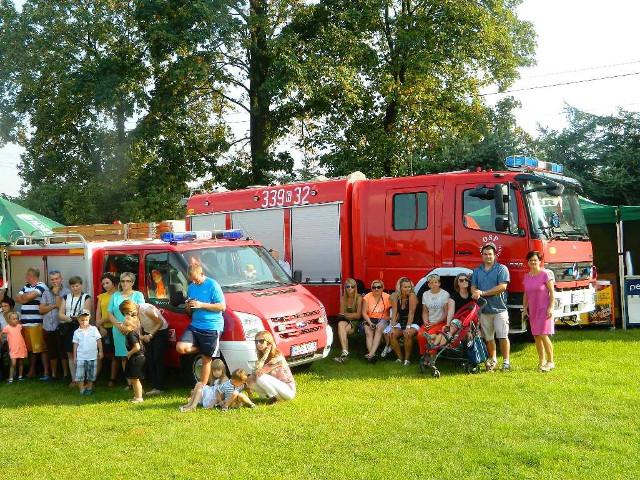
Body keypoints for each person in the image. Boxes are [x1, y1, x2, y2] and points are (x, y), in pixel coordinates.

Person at [176, 263, 226, 385]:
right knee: (180, 348)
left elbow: (222, 307)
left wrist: (201, 305)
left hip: (211, 326)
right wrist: (188, 307)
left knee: (206, 359)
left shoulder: (212, 285)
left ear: (202, 273)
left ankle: (202, 387)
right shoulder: (191, 287)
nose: (194, 282)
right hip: (195, 325)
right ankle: (204, 349)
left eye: (196, 279)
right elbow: (190, 311)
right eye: (191, 279)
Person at [471, 243, 511, 372]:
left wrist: (483, 293)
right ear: (482, 256)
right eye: (485, 254)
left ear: (495, 256)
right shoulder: (477, 271)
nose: (488, 256)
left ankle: (506, 362)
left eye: (490, 254)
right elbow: (473, 287)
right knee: (488, 338)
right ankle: (493, 359)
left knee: (503, 336)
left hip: (500, 309)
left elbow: (502, 287)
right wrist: (475, 292)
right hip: (484, 311)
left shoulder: (501, 269)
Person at [108, 272, 145, 386]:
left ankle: (136, 381)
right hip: (118, 329)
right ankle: (129, 383)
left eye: (128, 281)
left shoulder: (138, 295)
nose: (125, 283)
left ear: (133, 282)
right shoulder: (115, 295)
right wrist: (119, 326)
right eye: (123, 281)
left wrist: (130, 327)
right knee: (123, 356)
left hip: (134, 328)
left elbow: (141, 312)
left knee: (134, 354)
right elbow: (110, 313)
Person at [15, 267, 50, 380]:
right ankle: (32, 371)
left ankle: (46, 372)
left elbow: (28, 297)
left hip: (36, 323)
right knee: (30, 349)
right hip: (25, 323)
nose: (26, 277)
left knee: (41, 348)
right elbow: (18, 299)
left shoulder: (41, 286)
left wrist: (25, 297)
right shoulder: (26, 286)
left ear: (32, 276)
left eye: (27, 275)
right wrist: (26, 297)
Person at [523, 250, 555, 372]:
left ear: (540, 261)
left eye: (535, 260)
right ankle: (542, 361)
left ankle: (550, 361)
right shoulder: (527, 276)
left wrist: (551, 307)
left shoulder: (545, 274)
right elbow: (526, 293)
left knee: (543, 334)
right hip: (533, 310)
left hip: (544, 309)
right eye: (530, 260)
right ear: (528, 262)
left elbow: (552, 293)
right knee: (536, 336)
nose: (533, 262)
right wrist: (524, 308)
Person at [58, 276, 92, 384]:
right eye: (73, 286)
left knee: (81, 353)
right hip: (68, 327)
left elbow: (86, 314)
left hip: (81, 327)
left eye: (77, 286)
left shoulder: (86, 297)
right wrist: (69, 318)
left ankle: (83, 378)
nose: (75, 288)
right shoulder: (66, 297)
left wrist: (76, 318)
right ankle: (74, 379)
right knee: (70, 353)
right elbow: (60, 314)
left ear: (81, 285)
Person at [248, 331, 296, 403]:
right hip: (277, 387)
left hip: (288, 391)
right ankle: (272, 397)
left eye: (261, 341)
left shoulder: (277, 356)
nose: (258, 344)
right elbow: (254, 372)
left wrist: (266, 353)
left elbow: (260, 371)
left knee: (260, 377)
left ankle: (277, 399)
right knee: (250, 379)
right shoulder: (261, 357)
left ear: (269, 342)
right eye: (256, 341)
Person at [41, 270, 71, 380]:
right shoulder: (46, 292)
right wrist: (54, 306)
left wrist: (57, 295)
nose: (54, 281)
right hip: (48, 326)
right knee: (52, 351)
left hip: (62, 325)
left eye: (57, 278)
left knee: (63, 351)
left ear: (61, 279)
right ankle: (53, 374)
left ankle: (65, 374)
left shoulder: (67, 291)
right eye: (52, 279)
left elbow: (62, 306)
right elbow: (41, 310)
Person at [134, 301, 169, 395]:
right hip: (148, 332)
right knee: (150, 358)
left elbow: (160, 322)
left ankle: (160, 387)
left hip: (160, 331)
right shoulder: (134, 313)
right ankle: (154, 385)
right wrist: (142, 337)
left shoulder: (147, 309)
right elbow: (138, 326)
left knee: (157, 358)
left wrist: (150, 335)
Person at [417, 274, 451, 359]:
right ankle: (424, 356)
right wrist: (426, 322)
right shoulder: (425, 294)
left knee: (430, 334)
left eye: (435, 282)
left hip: (441, 322)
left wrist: (435, 323)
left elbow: (446, 313)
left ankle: (431, 357)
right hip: (429, 322)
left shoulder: (445, 294)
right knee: (420, 335)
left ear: (439, 283)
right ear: (428, 285)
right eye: (431, 283)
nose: (433, 284)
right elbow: (425, 311)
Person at [388, 277, 419, 365]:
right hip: (401, 322)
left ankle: (407, 359)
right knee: (391, 334)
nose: (408, 289)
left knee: (407, 334)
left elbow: (411, 313)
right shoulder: (396, 297)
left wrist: (408, 327)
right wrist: (392, 327)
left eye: (409, 287)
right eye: (405, 287)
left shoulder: (412, 296)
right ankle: (400, 358)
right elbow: (394, 313)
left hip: (413, 322)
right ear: (400, 288)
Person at [95, 273, 119, 386]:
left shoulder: (119, 295)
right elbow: (97, 314)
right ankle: (94, 378)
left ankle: (112, 379)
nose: (105, 285)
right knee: (100, 353)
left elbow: (116, 314)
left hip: (115, 328)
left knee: (115, 354)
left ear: (113, 283)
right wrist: (100, 327)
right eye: (103, 283)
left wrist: (103, 321)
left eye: (107, 283)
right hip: (104, 329)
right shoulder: (101, 297)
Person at [72, 310, 103, 395]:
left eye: (86, 320)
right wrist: (75, 357)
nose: (84, 322)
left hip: (92, 356)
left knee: (91, 375)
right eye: (82, 320)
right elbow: (75, 345)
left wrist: (101, 351)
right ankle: (82, 389)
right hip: (81, 357)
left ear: (89, 319)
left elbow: (99, 340)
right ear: (78, 320)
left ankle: (89, 388)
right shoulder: (76, 332)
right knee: (80, 375)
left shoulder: (94, 329)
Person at [362, 280, 391, 362]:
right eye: (374, 287)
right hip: (370, 319)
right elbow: (364, 313)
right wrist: (370, 322)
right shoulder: (367, 297)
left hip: (383, 319)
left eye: (379, 287)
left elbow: (394, 310)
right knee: (368, 331)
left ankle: (371, 354)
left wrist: (389, 318)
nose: (376, 289)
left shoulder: (388, 297)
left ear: (382, 288)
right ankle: (372, 355)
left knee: (379, 327)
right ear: (371, 288)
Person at [333, 278, 362, 363]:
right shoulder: (343, 298)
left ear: (355, 288)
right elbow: (341, 315)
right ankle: (345, 352)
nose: (350, 289)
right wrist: (349, 315)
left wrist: (346, 315)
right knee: (340, 324)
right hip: (346, 321)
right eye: (348, 286)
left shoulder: (359, 298)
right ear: (345, 288)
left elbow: (358, 315)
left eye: (352, 287)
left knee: (343, 330)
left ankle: (344, 354)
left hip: (356, 322)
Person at [123, 316, 145, 403]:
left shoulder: (131, 334)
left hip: (137, 358)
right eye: (124, 324)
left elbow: (137, 347)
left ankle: (139, 398)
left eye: (127, 325)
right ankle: (137, 396)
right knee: (134, 378)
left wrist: (129, 353)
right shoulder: (130, 333)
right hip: (136, 357)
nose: (124, 326)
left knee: (135, 379)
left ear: (133, 326)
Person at [3, 311, 27, 383]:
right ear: (9, 320)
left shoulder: (19, 326)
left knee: (21, 363)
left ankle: (20, 376)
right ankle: (11, 378)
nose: (16, 320)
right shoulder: (7, 327)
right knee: (13, 363)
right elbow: (2, 333)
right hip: (13, 349)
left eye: (17, 318)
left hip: (21, 347)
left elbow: (22, 332)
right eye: (14, 319)